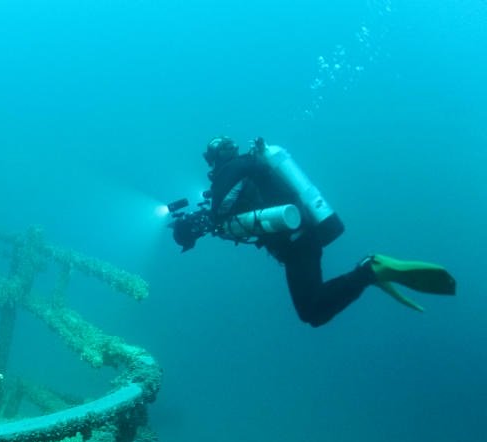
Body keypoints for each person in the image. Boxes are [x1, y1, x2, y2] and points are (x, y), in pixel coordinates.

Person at [175, 136, 456, 327]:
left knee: (311, 311)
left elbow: (221, 214)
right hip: (304, 236)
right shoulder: (252, 165)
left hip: (295, 243)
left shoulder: (230, 171)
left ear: (213, 158)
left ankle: (371, 270)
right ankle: (368, 274)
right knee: (313, 311)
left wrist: (194, 225)